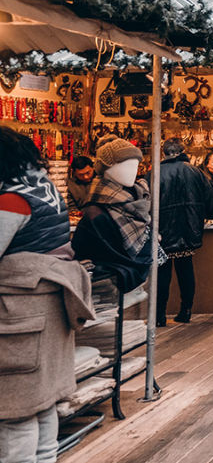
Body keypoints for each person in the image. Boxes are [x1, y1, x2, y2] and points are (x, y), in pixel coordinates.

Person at [0, 127, 94, 463]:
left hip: (19, 314)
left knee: (15, 410)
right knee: (41, 405)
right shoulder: (44, 188)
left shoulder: (12, 200)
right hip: (47, 306)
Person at [72, 136, 158, 292]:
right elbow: (81, 249)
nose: (132, 171)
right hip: (108, 287)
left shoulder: (140, 198)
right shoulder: (95, 213)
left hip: (131, 284)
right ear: (106, 169)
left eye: (135, 165)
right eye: (125, 165)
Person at [156, 139, 213, 326]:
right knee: (185, 269)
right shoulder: (195, 172)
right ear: (183, 151)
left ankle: (159, 315)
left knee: (162, 272)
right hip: (188, 228)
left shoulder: (155, 173)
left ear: (164, 153)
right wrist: (206, 215)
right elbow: (210, 201)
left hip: (163, 231)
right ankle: (186, 311)